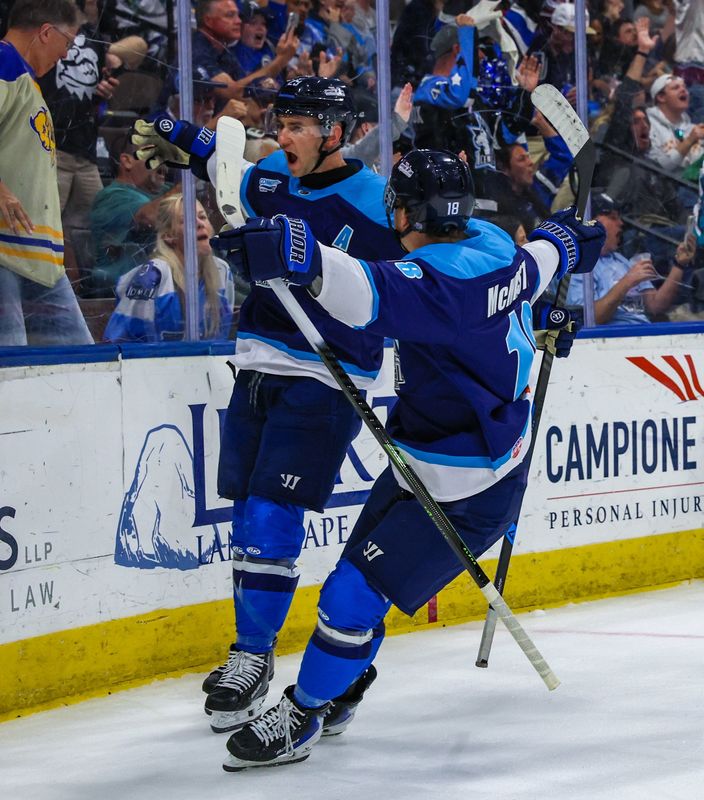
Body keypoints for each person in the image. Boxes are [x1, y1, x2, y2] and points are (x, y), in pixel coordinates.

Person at [211, 148, 605, 770]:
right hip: (428, 464)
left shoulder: (440, 284)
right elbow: (541, 261)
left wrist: (303, 254)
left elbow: (364, 292)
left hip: (463, 489)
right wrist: (569, 243)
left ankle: (306, 711)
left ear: (406, 210)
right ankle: (341, 686)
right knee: (356, 590)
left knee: (347, 600)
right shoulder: (497, 245)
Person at [131, 77, 404, 734]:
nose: (280, 138)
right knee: (251, 508)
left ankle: (258, 656)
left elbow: (410, 282)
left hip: (324, 375)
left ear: (334, 133)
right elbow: (226, 169)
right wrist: (173, 133)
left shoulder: (376, 202)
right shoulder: (277, 177)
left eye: (296, 128)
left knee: (270, 511)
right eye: (279, 125)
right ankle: (277, 660)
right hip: (256, 365)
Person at [0, 0, 93, 346]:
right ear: (45, 32)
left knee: (82, 366)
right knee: (10, 374)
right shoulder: (4, 62)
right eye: (68, 42)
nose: (67, 55)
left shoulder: (25, 79)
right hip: (5, 253)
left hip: (39, 259)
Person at [104, 194, 235, 342]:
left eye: (203, 217)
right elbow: (121, 341)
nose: (199, 224)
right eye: (187, 221)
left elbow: (220, 339)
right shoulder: (153, 276)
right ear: (168, 236)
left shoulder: (221, 270)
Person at [566, 193, 687, 324]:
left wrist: (679, 265)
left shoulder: (620, 260)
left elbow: (656, 306)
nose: (621, 223)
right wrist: (628, 281)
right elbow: (589, 319)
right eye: (613, 217)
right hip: (613, 339)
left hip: (644, 333)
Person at [89, 129, 177, 296]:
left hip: (172, 281)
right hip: (133, 291)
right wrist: (193, 174)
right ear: (127, 161)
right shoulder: (110, 197)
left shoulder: (166, 191)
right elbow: (149, 217)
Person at [646, 74, 704, 177]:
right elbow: (657, 166)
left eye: (684, 87)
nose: (684, 90)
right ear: (661, 97)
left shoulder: (690, 128)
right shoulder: (648, 124)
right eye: (676, 87)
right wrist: (690, 140)